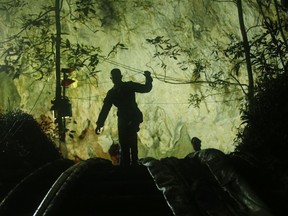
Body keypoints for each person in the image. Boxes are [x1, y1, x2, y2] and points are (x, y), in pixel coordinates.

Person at [95, 68, 153, 166]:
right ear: (120, 77)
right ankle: (131, 163)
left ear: (112, 79)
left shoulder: (113, 92)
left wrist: (100, 124)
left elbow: (105, 109)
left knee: (127, 143)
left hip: (126, 118)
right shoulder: (126, 87)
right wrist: (148, 77)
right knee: (130, 142)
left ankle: (128, 165)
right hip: (129, 117)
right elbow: (146, 88)